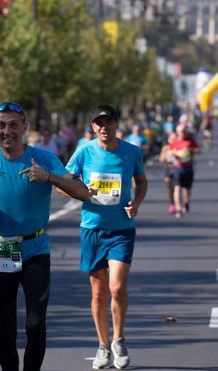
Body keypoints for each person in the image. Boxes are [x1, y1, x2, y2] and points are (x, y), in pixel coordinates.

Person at [0, 102, 90, 371]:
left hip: (35, 250)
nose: (7, 130)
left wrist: (49, 177)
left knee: (35, 324)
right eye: (1, 125)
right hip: (0, 249)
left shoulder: (43, 158)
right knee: (5, 328)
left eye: (13, 124)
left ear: (24, 127)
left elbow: (82, 192)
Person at [65, 104, 147, 369]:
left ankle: (119, 339)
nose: (103, 127)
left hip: (121, 230)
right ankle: (103, 345)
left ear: (116, 124)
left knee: (117, 287)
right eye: (98, 123)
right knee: (99, 293)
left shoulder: (131, 152)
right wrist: (80, 191)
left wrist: (137, 202)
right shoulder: (84, 152)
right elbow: (64, 184)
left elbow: (142, 180)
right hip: (92, 229)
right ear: (92, 127)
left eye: (108, 122)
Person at [168, 123, 200, 218]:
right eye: (181, 131)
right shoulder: (174, 141)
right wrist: (175, 152)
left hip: (188, 167)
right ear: (178, 132)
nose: (183, 133)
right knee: (177, 188)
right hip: (177, 167)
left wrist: (189, 150)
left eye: (184, 131)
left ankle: (186, 201)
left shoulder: (190, 140)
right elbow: (169, 152)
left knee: (187, 189)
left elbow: (198, 150)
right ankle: (178, 208)